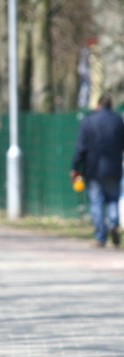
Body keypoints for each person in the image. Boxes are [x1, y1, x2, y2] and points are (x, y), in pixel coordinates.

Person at [70, 94, 124, 248]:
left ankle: (100, 236)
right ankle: (114, 224)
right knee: (113, 199)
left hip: (93, 170)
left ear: (98, 105)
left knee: (97, 202)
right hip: (114, 168)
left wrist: (75, 168)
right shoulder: (118, 121)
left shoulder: (88, 122)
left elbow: (81, 148)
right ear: (111, 105)